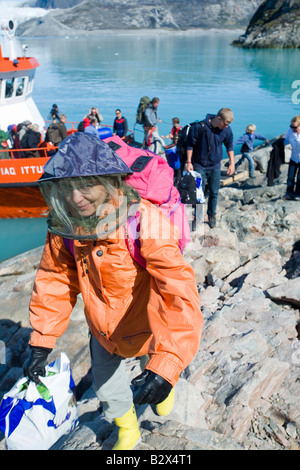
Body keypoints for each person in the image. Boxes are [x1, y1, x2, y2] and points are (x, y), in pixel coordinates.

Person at [23, 132, 203, 451]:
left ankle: (168, 384)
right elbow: (55, 279)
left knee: (156, 365)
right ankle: (128, 428)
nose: (76, 197)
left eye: (86, 184)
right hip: (102, 328)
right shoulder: (66, 226)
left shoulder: (145, 219)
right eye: (67, 187)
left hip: (148, 320)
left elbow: (178, 289)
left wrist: (167, 366)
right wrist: (41, 340)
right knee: (106, 385)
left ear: (109, 181)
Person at [185, 108, 235, 229]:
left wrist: (232, 163)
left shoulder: (226, 130)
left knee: (214, 192)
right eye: (225, 123)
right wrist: (189, 162)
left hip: (215, 166)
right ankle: (197, 217)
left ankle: (211, 215)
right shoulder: (199, 127)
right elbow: (190, 145)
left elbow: (229, 146)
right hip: (199, 165)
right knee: (199, 192)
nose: (226, 126)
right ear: (219, 119)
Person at [283, 115, 300, 201]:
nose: (292, 128)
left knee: (299, 178)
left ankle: (298, 194)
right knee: (290, 177)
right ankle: (289, 193)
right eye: (291, 126)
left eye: (295, 127)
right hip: (294, 157)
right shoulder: (290, 131)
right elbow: (286, 139)